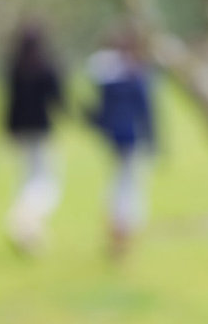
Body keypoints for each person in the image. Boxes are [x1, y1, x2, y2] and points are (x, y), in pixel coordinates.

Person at [87, 27, 156, 259]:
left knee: (119, 182)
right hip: (131, 137)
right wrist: (153, 139)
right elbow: (146, 111)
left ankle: (119, 232)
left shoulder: (108, 77)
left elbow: (101, 112)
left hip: (114, 138)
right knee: (130, 185)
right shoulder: (136, 75)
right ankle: (122, 231)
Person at [4, 22, 65, 255]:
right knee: (47, 183)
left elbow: (9, 101)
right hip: (41, 130)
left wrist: (9, 128)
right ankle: (24, 220)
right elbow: (58, 98)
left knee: (27, 178)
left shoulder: (15, 65)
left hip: (21, 132)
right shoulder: (46, 66)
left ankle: (28, 231)